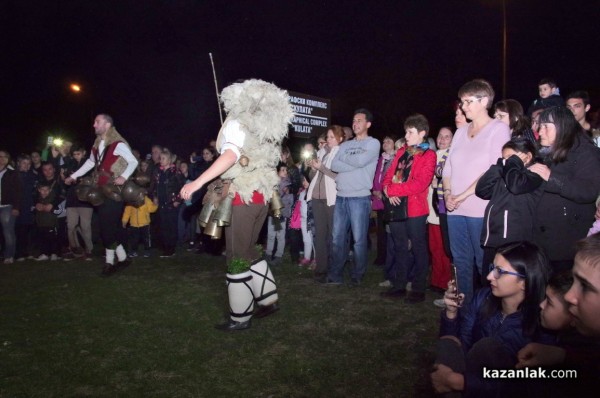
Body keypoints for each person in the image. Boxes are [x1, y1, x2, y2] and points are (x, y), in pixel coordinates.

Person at [180, 79, 293, 331]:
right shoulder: (263, 128)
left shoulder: (236, 122)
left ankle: (240, 316)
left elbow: (230, 156)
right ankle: (268, 299)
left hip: (242, 198)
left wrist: (197, 182)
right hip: (261, 198)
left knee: (235, 255)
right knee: (250, 249)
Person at [430, 241, 553, 395]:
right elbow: (461, 346)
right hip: (471, 377)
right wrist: (451, 313)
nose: (489, 276)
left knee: (488, 347)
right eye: (492, 268)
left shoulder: (543, 319)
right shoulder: (483, 298)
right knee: (448, 342)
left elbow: (527, 384)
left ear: (524, 282)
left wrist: (462, 382)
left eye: (499, 272)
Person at [442, 79, 511, 303]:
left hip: (480, 209)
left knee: (484, 263)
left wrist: (461, 196)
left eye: (468, 101)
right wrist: (448, 194)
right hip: (454, 209)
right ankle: (464, 309)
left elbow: (494, 169)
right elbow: (448, 167)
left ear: (484, 101)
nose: (463, 107)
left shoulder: (498, 129)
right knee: (461, 260)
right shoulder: (460, 132)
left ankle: (486, 310)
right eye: (462, 102)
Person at [65, 114, 138, 275]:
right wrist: (74, 176)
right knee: (109, 228)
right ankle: (123, 258)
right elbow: (91, 162)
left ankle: (109, 262)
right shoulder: (97, 145)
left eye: (97, 122)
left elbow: (133, 161)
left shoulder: (117, 144)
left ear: (107, 124)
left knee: (107, 228)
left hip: (114, 191)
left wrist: (123, 176)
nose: (94, 124)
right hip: (100, 190)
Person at [530, 106, 600, 271]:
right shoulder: (544, 152)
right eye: (540, 126)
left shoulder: (586, 152)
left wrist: (551, 178)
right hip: (540, 240)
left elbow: (588, 191)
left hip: (565, 241)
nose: (540, 131)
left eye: (546, 126)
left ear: (562, 127)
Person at [380, 114, 436, 303]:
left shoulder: (429, 155)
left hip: (415, 209)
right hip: (396, 206)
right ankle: (399, 286)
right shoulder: (401, 152)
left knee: (418, 248)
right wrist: (388, 191)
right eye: (406, 131)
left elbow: (421, 184)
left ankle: (419, 288)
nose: (406, 135)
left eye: (410, 132)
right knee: (400, 247)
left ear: (422, 133)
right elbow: (387, 177)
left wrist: (394, 189)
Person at [326, 109, 380, 286]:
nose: (355, 123)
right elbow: (334, 164)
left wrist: (349, 161)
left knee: (358, 240)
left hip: (360, 197)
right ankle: (335, 274)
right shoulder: (345, 145)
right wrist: (355, 161)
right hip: (341, 196)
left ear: (368, 124)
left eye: (359, 120)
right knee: (337, 239)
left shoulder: (373, 144)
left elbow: (360, 162)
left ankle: (357, 275)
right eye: (353, 120)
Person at [476, 138, 544, 267]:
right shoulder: (506, 174)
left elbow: (516, 186)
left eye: (510, 157)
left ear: (528, 156)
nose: (506, 162)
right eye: (504, 158)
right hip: (493, 239)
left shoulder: (535, 174)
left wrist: (513, 163)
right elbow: (481, 191)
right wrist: (498, 167)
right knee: (489, 279)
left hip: (513, 243)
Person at [307, 125, 343, 283]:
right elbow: (312, 176)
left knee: (333, 236)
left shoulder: (341, 153)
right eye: (327, 137)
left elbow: (338, 176)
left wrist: (321, 168)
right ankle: (321, 268)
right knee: (320, 235)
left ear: (340, 139)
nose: (328, 140)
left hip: (331, 198)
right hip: (316, 197)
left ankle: (334, 268)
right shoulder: (321, 152)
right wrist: (313, 169)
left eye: (332, 137)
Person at [430, 127, 454, 303]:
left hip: (444, 210)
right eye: (440, 136)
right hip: (431, 212)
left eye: (447, 137)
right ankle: (436, 280)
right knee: (434, 248)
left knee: (445, 250)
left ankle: (445, 283)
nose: (443, 139)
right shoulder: (432, 155)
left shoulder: (452, 156)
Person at [62, 145, 94, 261]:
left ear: (83, 152)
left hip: (85, 200)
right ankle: (75, 249)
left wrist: (78, 179)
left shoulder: (89, 164)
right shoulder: (71, 163)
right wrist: (65, 177)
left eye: (78, 154)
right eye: (74, 154)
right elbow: (66, 177)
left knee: (85, 226)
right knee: (71, 226)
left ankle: (89, 250)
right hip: (71, 199)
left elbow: (91, 178)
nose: (76, 156)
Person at [151, 147, 185, 258]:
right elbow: (155, 186)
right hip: (162, 203)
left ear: (170, 160)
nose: (161, 160)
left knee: (171, 225)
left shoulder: (176, 172)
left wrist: (178, 200)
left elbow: (183, 187)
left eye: (163, 158)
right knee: (163, 225)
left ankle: (171, 248)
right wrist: (155, 197)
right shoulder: (158, 172)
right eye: (160, 158)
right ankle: (166, 247)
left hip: (171, 203)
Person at [371, 134, 397, 268]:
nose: (385, 143)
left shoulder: (396, 159)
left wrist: (384, 193)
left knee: (390, 231)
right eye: (384, 141)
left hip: (390, 199)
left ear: (394, 144)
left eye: (389, 141)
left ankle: (390, 258)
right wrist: (374, 191)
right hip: (378, 199)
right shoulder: (381, 159)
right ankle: (381, 256)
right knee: (381, 230)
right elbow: (376, 176)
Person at [265, 166, 293, 265]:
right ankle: (268, 254)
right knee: (271, 234)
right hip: (273, 213)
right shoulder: (272, 183)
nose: (285, 172)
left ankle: (278, 255)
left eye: (286, 170)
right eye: (282, 170)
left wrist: (287, 193)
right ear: (277, 172)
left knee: (280, 235)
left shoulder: (289, 184)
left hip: (281, 213)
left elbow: (290, 200)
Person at [0, 150, 22, 264]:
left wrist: (16, 207)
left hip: (7, 206)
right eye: (0, 156)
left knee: (8, 231)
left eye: (5, 157)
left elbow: (18, 191)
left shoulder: (12, 173)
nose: (2, 158)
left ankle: (9, 255)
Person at [122, 193, 157, 258]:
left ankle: (147, 251)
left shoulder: (146, 199)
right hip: (134, 224)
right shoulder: (131, 200)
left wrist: (155, 204)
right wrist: (124, 221)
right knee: (134, 239)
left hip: (145, 223)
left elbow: (151, 209)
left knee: (146, 238)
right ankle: (134, 251)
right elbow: (127, 211)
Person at [15, 154, 36, 261]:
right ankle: (18, 253)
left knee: (28, 229)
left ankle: (26, 252)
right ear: (18, 163)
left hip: (29, 206)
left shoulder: (32, 175)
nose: (26, 166)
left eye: (29, 164)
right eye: (24, 163)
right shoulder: (13, 175)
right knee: (18, 230)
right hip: (17, 206)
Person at [33, 182, 60, 261]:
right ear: (39, 190)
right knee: (43, 238)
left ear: (50, 190)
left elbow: (55, 208)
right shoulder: (37, 199)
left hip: (51, 222)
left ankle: (54, 253)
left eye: (47, 190)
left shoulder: (53, 199)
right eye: (42, 190)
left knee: (52, 238)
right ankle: (44, 253)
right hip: (41, 223)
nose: (44, 192)